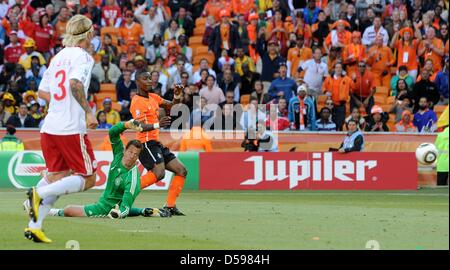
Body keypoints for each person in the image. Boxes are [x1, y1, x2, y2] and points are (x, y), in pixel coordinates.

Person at [25, 15, 99, 243]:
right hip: (70, 128)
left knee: (57, 176)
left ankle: (34, 226)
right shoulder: (84, 57)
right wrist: (88, 111)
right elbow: (75, 84)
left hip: (50, 127)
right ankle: (38, 194)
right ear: (87, 34)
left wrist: (60, 104)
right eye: (92, 31)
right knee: (88, 178)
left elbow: (43, 92)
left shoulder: (57, 57)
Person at [48, 121, 171, 218]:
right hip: (104, 202)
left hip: (105, 208)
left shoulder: (133, 178)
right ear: (125, 151)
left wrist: (117, 214)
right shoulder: (118, 155)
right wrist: (126, 125)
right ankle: (144, 211)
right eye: (130, 152)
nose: (132, 156)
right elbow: (112, 132)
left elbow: (125, 207)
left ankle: (50, 212)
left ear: (138, 157)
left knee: (69, 209)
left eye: (136, 154)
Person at [130, 71, 188, 216]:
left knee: (181, 171)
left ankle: (170, 206)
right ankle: (128, 190)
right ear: (138, 82)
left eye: (150, 78)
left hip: (155, 143)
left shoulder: (153, 97)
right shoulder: (136, 101)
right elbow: (139, 126)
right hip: (145, 144)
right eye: (145, 78)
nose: (150, 81)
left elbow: (173, 105)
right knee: (159, 173)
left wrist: (177, 94)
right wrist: (157, 124)